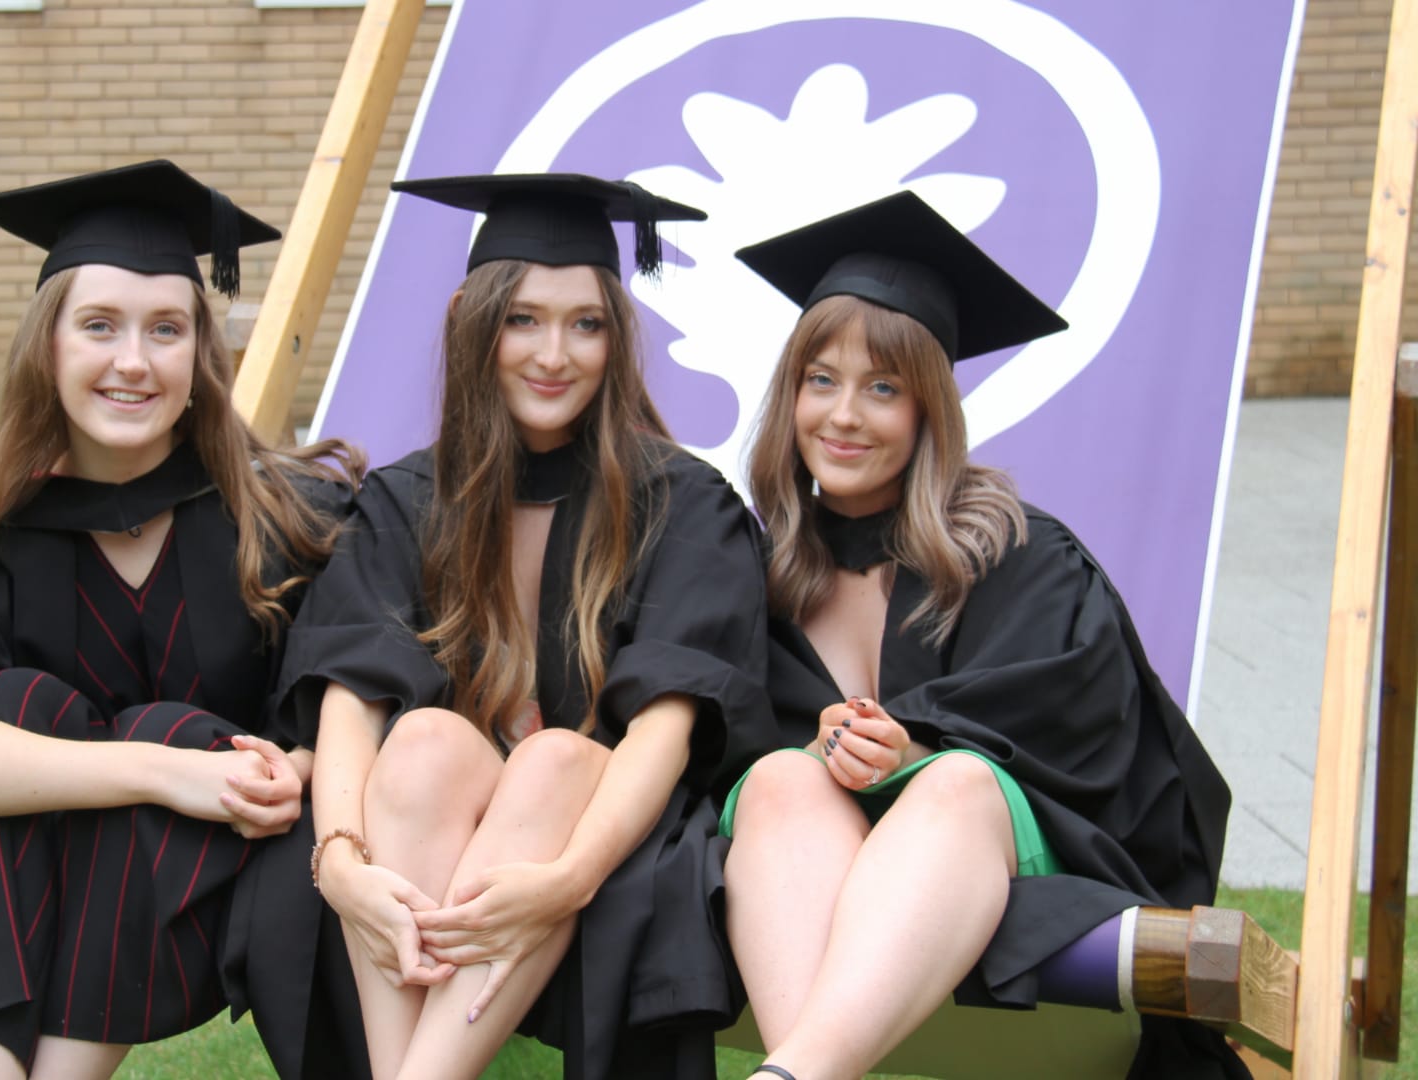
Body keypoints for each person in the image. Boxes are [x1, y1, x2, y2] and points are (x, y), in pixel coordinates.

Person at [0, 161, 363, 1080]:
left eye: (166, 330)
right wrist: (158, 774)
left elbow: (359, 694)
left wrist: (281, 767)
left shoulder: (290, 521)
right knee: (16, 708)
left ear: (201, 357)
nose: (133, 361)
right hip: (27, 884)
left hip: (210, 879)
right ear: (46, 348)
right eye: (99, 326)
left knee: (171, 727)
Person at [719, 191, 1240, 1080]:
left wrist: (914, 748)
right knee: (777, 778)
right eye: (821, 380)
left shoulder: (1014, 553)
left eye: (883, 388)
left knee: (957, 782)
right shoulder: (755, 576)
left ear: (930, 413)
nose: (844, 415)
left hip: (987, 867)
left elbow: (1091, 740)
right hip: (800, 871)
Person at [275, 173, 773, 1080]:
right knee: (421, 739)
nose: (556, 353)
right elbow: (351, 689)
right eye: (524, 320)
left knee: (552, 758)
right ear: (475, 318)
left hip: (609, 825)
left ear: (617, 337)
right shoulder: (409, 498)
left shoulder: (683, 502)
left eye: (586, 323)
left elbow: (669, 718)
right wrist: (339, 860)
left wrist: (572, 875)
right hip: (436, 819)